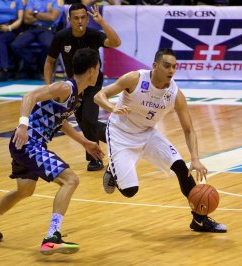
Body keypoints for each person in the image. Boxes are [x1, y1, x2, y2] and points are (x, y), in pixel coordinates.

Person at [0, 48, 105, 255]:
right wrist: (23, 125)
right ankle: (52, 236)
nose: (99, 72)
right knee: (71, 180)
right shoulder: (64, 87)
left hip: (26, 146)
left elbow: (61, 123)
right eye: (98, 68)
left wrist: (85, 142)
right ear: (91, 71)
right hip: (28, 143)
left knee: (24, 191)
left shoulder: (75, 95)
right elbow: (29, 96)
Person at [94, 48, 227, 233]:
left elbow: (189, 130)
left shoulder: (175, 94)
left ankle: (200, 221)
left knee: (182, 168)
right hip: (120, 134)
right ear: (155, 66)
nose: (171, 70)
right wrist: (111, 107)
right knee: (130, 191)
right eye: (166, 66)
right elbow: (98, 96)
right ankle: (113, 169)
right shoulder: (135, 79)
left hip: (148, 134)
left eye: (174, 67)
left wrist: (195, 158)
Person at [44, 3, 121, 171]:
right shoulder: (61, 37)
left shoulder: (94, 35)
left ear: (87, 19)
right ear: (69, 19)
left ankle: (95, 159)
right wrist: (49, 86)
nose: (80, 21)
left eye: (83, 17)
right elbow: (50, 61)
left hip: (93, 83)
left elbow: (116, 42)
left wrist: (102, 23)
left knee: (87, 119)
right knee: (85, 122)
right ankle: (117, 137)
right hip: (73, 85)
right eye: (76, 18)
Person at [11, 0, 64, 79]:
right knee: (15, 45)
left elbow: (52, 17)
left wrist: (34, 13)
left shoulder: (56, 1)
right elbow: (26, 19)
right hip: (32, 29)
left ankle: (42, 68)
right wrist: (45, 16)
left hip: (47, 30)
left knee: (49, 46)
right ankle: (33, 64)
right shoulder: (32, 1)